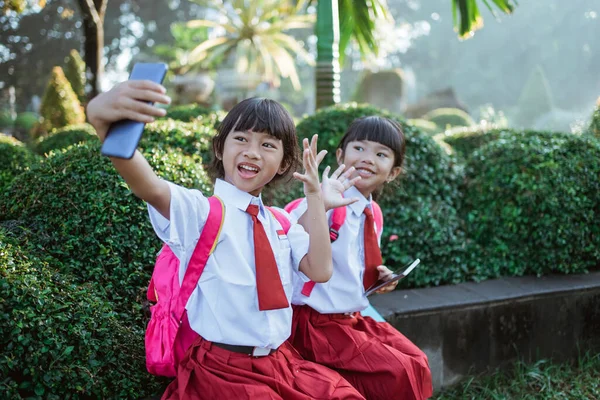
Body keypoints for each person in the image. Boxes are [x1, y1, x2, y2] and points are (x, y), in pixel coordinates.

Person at [87, 79, 365, 400]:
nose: (251, 152)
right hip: (223, 370)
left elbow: (319, 271)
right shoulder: (202, 213)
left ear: (284, 163)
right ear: (221, 148)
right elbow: (149, 186)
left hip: (280, 362)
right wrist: (105, 126)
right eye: (241, 139)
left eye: (268, 145)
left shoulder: (281, 221)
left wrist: (316, 198)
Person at [287, 116, 433, 400]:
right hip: (315, 324)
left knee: (416, 361)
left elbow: (354, 264)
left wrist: (379, 276)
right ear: (341, 155)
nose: (367, 159)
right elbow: (286, 240)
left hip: (351, 317)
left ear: (393, 172)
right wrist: (319, 202)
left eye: (381, 154)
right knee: (397, 371)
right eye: (359, 148)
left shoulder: (373, 213)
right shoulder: (323, 201)